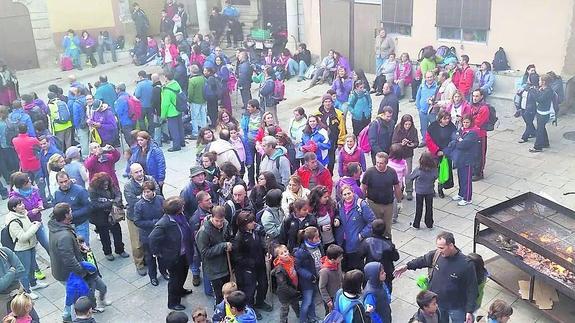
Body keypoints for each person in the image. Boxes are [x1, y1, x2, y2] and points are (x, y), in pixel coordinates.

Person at [394, 231, 478, 323]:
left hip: (456, 307)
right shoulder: (437, 254)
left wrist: (469, 311)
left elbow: (472, 289)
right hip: (437, 304)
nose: (439, 250)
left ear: (451, 245)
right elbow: (423, 260)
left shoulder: (466, 264)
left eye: (441, 247)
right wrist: (407, 266)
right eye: (438, 247)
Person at [149, 197, 194, 311]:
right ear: (176, 210)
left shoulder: (180, 216)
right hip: (174, 258)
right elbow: (152, 238)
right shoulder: (164, 223)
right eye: (181, 206)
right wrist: (158, 252)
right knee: (175, 280)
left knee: (183, 274)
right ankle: (173, 302)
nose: (183, 207)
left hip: (184, 253)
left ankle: (180, 290)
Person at [48, 203, 89, 321]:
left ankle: (66, 315)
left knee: (69, 293)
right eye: (70, 211)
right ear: (66, 215)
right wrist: (81, 270)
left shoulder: (55, 225)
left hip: (60, 271)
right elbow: (69, 259)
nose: (72, 212)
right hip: (68, 273)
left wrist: (78, 246)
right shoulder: (64, 236)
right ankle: (76, 318)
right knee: (75, 298)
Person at [232, 211, 271, 318]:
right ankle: (250, 307)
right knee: (249, 289)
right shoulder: (239, 238)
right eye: (250, 222)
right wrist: (251, 263)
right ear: (243, 224)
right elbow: (237, 257)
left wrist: (266, 251)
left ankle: (260, 301)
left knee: (263, 284)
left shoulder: (256, 231)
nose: (254, 223)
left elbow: (261, 243)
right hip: (247, 269)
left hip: (260, 264)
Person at [5, 198, 45, 300]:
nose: (22, 205)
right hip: (22, 249)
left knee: (32, 267)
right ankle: (26, 291)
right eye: (19, 205)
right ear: (13, 208)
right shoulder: (13, 221)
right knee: (24, 271)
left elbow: (27, 227)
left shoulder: (23, 214)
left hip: (30, 245)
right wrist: (35, 227)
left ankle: (34, 283)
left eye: (22, 203)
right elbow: (22, 237)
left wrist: (32, 225)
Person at [123, 163, 158, 276]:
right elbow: (133, 202)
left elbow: (158, 192)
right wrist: (147, 197)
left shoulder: (150, 179)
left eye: (141, 171)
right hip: (134, 217)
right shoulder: (128, 185)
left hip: (152, 213)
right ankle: (139, 264)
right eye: (136, 172)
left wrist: (142, 197)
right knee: (137, 242)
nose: (139, 174)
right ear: (131, 174)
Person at [132, 180, 167, 286]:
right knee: (150, 258)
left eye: (149, 191)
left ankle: (164, 272)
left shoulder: (160, 199)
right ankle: (153, 277)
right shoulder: (139, 205)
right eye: (145, 192)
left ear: (153, 191)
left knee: (162, 256)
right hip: (147, 236)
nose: (147, 194)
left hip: (161, 234)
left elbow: (166, 212)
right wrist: (153, 223)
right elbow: (137, 221)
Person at [196, 206, 232, 306]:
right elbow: (204, 252)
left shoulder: (225, 224)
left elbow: (228, 237)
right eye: (217, 221)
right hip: (214, 269)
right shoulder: (204, 232)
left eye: (221, 220)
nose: (219, 223)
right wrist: (223, 246)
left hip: (225, 266)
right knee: (219, 295)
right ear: (212, 217)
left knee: (227, 292)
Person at [88, 172, 128, 260]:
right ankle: (107, 252)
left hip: (113, 214)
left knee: (117, 232)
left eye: (107, 183)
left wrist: (114, 202)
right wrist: (110, 202)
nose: (106, 185)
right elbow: (95, 204)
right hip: (100, 216)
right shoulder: (92, 190)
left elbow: (118, 194)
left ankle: (120, 250)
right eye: (104, 184)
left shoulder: (111, 185)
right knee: (104, 236)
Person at [361, 152, 402, 238]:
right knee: (375, 227)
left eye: (381, 163)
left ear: (386, 163)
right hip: (374, 204)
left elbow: (397, 187)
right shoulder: (369, 172)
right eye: (377, 163)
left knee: (387, 228)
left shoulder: (392, 172)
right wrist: (362, 200)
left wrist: (399, 201)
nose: (379, 165)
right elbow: (363, 187)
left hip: (388, 205)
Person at [449, 115, 480, 206]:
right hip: (460, 159)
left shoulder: (472, 133)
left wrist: (458, 140)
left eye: (467, 122)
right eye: (464, 122)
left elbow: (463, 144)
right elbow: (454, 135)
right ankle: (461, 194)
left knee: (466, 179)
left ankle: (467, 198)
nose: (465, 124)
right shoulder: (462, 130)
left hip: (467, 160)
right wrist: (459, 139)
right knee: (460, 177)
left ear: (471, 123)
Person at [53, 171, 91, 245]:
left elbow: (88, 207)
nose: (64, 184)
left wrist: (72, 215)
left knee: (84, 247)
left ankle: (89, 257)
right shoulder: (57, 193)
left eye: (66, 181)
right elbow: (55, 208)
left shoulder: (80, 190)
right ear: (57, 182)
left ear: (69, 179)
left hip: (80, 224)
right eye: (61, 182)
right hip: (66, 227)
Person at [425, 110, 457, 198]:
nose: (447, 120)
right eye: (445, 119)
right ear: (440, 119)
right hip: (435, 154)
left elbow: (454, 139)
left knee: (443, 172)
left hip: (446, 153)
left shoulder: (451, 126)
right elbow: (428, 140)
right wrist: (436, 151)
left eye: (448, 118)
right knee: (433, 172)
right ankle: (430, 189)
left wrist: (446, 151)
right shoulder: (433, 127)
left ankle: (440, 188)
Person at [294, 226, 323, 323]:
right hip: (307, 282)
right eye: (316, 237)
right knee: (307, 302)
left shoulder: (318, 246)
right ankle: (303, 320)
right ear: (309, 239)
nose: (319, 239)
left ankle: (312, 317)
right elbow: (298, 268)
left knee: (312, 300)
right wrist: (310, 276)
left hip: (316, 278)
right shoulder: (301, 252)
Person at [407, 152, 437, 229]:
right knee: (429, 207)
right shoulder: (434, 169)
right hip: (430, 191)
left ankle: (416, 224)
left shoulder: (418, 169)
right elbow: (436, 177)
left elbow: (410, 177)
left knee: (419, 208)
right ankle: (429, 223)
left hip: (420, 191)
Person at [161, 71, 186, 152]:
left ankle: (176, 146)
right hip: (179, 109)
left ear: (166, 78)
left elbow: (165, 104)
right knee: (180, 127)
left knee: (173, 130)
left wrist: (163, 115)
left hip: (171, 112)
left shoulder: (167, 90)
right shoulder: (176, 84)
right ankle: (182, 142)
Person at [530, 74, 554, 153]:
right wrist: (539, 91)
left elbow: (539, 99)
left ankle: (537, 147)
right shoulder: (544, 89)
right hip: (541, 111)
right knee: (542, 128)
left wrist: (533, 91)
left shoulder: (548, 91)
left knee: (539, 130)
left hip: (544, 113)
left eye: (540, 80)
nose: (539, 81)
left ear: (543, 82)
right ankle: (545, 143)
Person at [469, 89, 490, 180]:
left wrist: (469, 121)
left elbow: (478, 122)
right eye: (473, 96)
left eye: (477, 96)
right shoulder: (472, 106)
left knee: (479, 155)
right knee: (473, 154)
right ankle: (473, 170)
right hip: (472, 134)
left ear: (481, 97)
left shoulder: (484, 108)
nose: (474, 98)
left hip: (480, 135)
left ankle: (479, 173)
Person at [318, 244, 344, 312]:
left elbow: (340, 275)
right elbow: (322, 287)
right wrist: (328, 300)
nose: (342, 258)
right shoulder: (324, 271)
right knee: (330, 314)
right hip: (331, 297)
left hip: (339, 292)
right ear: (333, 259)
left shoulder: (338, 263)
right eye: (340, 257)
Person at [416, 71, 439, 146]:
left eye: (431, 77)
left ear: (434, 77)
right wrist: (419, 107)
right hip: (423, 111)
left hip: (432, 112)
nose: (429, 79)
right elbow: (418, 97)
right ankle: (424, 140)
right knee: (423, 127)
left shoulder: (437, 87)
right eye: (428, 77)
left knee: (434, 127)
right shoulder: (422, 86)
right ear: (425, 78)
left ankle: (433, 141)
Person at [387, 144, 407, 224]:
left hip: (388, 184)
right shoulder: (403, 163)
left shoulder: (388, 162)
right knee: (395, 199)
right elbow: (406, 173)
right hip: (398, 185)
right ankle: (394, 217)